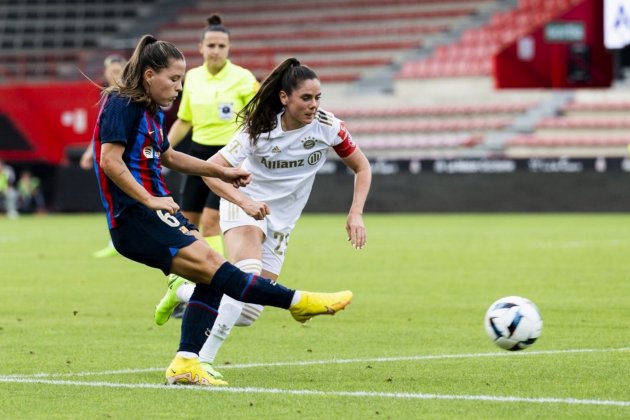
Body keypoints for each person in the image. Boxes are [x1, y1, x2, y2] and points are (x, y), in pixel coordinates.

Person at [92, 35, 353, 387]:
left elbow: (169, 157)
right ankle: (298, 301)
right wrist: (149, 199)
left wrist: (222, 171)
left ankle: (186, 362)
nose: (179, 87)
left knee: (211, 278)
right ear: (150, 75)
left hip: (155, 213)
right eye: (174, 79)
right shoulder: (121, 104)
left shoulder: (151, 113)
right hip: (135, 217)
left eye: (182, 79)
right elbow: (110, 161)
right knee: (221, 271)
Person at [154, 58, 372, 380]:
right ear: (285, 98)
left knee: (248, 311)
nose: (314, 105)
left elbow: (362, 167)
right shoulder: (259, 128)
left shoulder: (329, 127)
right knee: (247, 273)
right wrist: (245, 201)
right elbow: (211, 172)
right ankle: (199, 363)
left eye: (318, 98)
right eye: (306, 98)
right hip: (243, 208)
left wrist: (355, 212)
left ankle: (184, 289)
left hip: (280, 224)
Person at [167, 14, 259, 257]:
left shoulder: (243, 77)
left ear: (229, 48)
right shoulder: (193, 77)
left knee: (210, 222)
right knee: (187, 223)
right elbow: (185, 120)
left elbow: (257, 118)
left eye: (221, 46)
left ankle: (215, 280)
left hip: (228, 157)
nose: (215, 50)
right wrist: (161, 147)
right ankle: (188, 279)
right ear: (200, 48)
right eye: (211, 45)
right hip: (198, 155)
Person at [80, 54, 127, 258]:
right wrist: (89, 152)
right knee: (116, 199)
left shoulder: (130, 96)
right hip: (111, 155)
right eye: (112, 71)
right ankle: (117, 241)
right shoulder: (108, 96)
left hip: (127, 156)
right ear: (106, 73)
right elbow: (101, 129)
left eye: (119, 71)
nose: (115, 75)